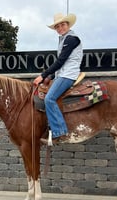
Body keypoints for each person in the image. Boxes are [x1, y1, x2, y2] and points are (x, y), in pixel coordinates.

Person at [33, 13, 83, 144]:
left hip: (69, 75)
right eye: (57, 26)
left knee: (49, 98)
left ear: (68, 25)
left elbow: (61, 61)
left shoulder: (71, 38)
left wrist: (42, 75)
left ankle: (59, 131)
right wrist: (50, 76)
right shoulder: (64, 39)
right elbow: (62, 64)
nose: (60, 28)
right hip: (63, 73)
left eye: (63, 25)